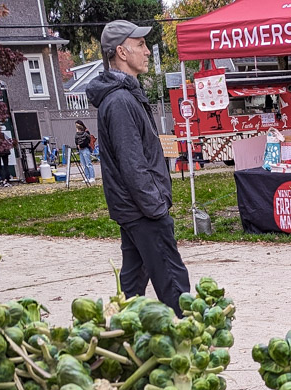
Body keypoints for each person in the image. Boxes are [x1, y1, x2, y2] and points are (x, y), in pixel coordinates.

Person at [88, 19, 190, 315]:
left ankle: (119, 343)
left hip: (135, 209)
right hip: (143, 210)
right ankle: (189, 341)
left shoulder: (124, 95)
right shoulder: (119, 100)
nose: (147, 51)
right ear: (121, 51)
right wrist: (156, 207)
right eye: (140, 44)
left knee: (131, 287)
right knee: (173, 282)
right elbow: (132, 164)